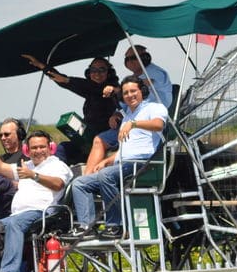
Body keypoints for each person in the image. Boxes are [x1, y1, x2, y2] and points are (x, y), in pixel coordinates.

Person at [64, 76, 167, 240]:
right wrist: (106, 161)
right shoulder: (127, 116)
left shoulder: (154, 107)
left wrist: (134, 124)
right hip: (123, 164)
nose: (130, 95)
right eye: (126, 93)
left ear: (142, 91)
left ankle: (116, 225)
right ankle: (86, 227)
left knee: (106, 175)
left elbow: (158, 125)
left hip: (142, 164)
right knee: (80, 183)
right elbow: (125, 150)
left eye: (133, 91)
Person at [0, 129, 72, 272]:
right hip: (17, 215)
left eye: (42, 147)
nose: (38, 151)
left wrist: (34, 176)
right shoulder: (27, 166)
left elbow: (58, 184)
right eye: (34, 148)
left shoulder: (57, 165)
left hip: (41, 212)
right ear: (27, 150)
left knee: (15, 224)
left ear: (51, 148)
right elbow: (0, 167)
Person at [86, 45, 173, 174]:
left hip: (148, 125)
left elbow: (144, 84)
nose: (129, 61)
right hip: (129, 124)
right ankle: (88, 177)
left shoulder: (156, 73)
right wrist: (116, 115)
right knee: (99, 139)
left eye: (133, 58)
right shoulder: (131, 80)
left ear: (145, 58)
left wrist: (116, 90)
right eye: (126, 59)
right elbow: (125, 106)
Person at [21, 54, 120, 164]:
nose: (97, 73)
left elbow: (118, 92)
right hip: (86, 140)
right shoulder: (90, 89)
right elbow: (62, 80)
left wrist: (113, 90)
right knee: (62, 148)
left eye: (102, 70)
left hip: (105, 141)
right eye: (93, 70)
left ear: (109, 73)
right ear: (89, 72)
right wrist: (41, 66)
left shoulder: (113, 90)